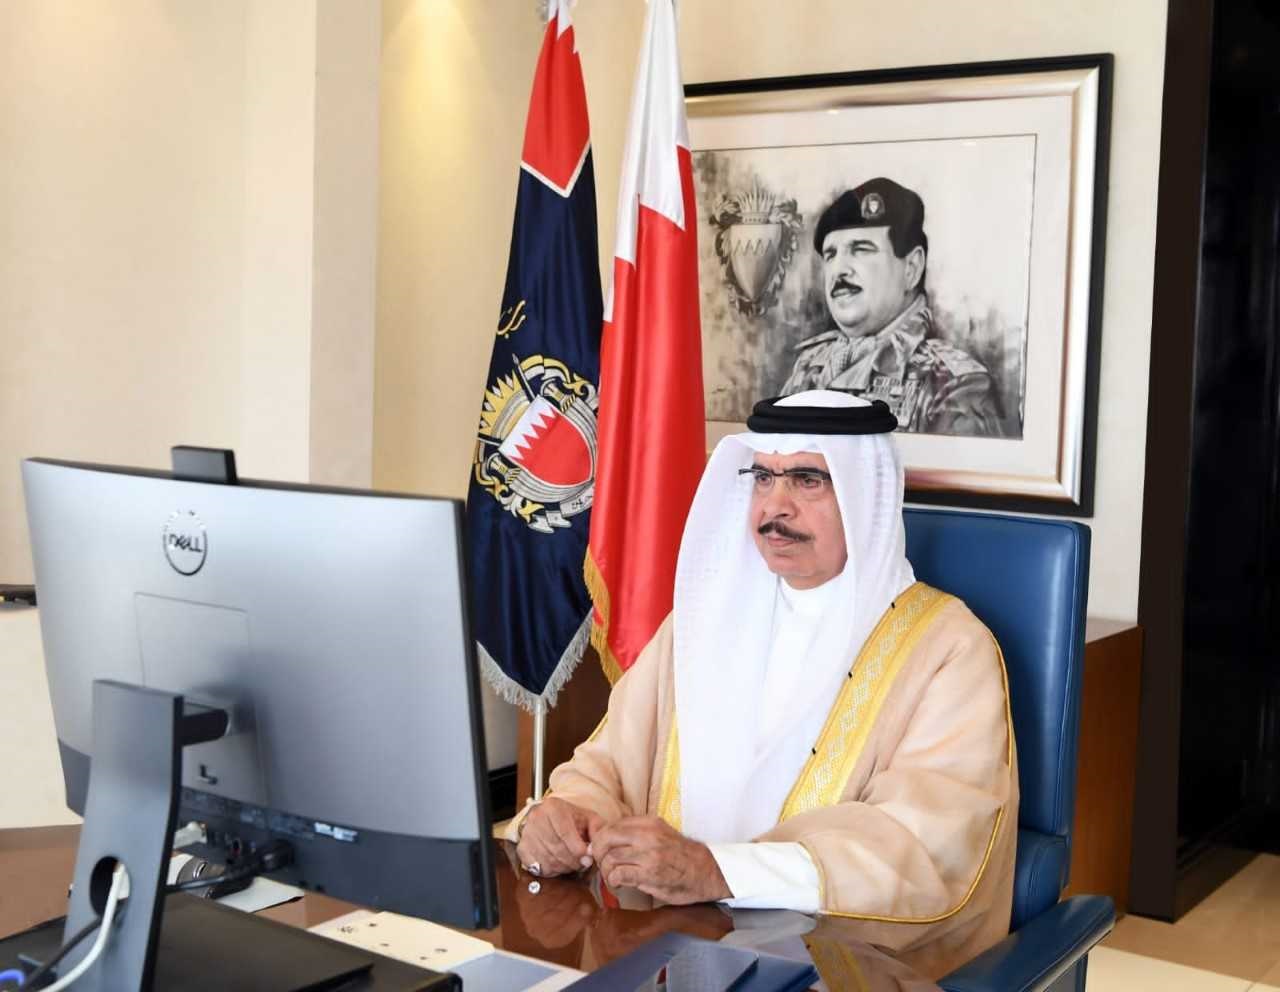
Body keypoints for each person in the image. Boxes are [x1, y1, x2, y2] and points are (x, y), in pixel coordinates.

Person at [507, 390, 1018, 976]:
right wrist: (564, 815)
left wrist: (716, 871)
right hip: (671, 947)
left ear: (866, 497)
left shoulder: (948, 647)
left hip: (840, 966)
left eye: (807, 480)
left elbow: (926, 847)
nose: (776, 507)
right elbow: (611, 761)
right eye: (763, 478)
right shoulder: (701, 622)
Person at [781, 178, 1002, 437]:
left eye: (861, 249)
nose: (839, 269)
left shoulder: (956, 383)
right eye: (831, 255)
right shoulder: (809, 364)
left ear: (911, 268)